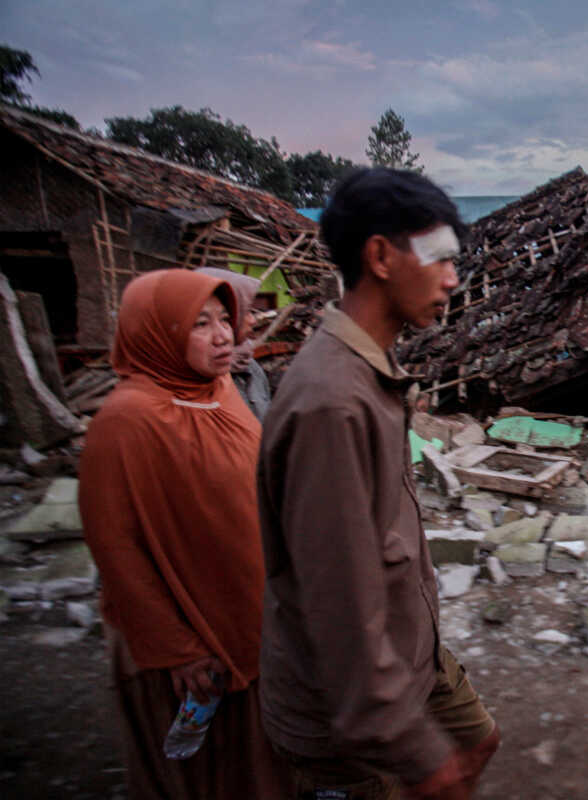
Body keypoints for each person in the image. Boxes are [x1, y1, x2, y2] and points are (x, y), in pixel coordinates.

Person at [257, 168, 500, 799]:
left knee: (479, 740)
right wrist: (416, 750)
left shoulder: (373, 372)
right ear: (380, 256)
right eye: (439, 258)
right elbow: (339, 606)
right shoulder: (333, 404)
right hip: (346, 718)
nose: (453, 279)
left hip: (411, 655)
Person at [78, 268, 292, 799]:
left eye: (225, 320)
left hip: (247, 616)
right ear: (160, 331)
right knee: (201, 774)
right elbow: (116, 548)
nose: (225, 336)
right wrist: (178, 649)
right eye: (200, 324)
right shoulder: (128, 421)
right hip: (192, 640)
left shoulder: (219, 391)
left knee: (256, 762)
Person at [197, 267, 272, 422]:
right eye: (246, 311)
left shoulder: (250, 367)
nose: (253, 320)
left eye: (223, 319)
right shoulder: (197, 377)